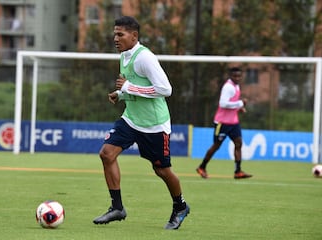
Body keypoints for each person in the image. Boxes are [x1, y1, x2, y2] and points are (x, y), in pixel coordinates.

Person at [93, 16, 189, 230]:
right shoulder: (124, 56)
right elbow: (134, 87)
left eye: (120, 34)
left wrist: (127, 88)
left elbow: (165, 89)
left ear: (134, 36)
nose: (115, 38)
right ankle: (117, 207)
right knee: (106, 154)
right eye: (114, 34)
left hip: (154, 125)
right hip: (131, 119)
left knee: (162, 171)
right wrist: (120, 94)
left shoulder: (145, 58)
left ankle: (180, 206)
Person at [196, 67, 252, 179]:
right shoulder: (228, 87)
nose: (237, 78)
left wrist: (239, 108)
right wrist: (240, 103)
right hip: (222, 123)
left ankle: (238, 171)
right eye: (235, 76)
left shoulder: (236, 86)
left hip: (233, 122)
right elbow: (223, 104)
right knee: (217, 145)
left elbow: (231, 102)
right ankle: (202, 167)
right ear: (230, 76)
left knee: (238, 143)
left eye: (239, 76)